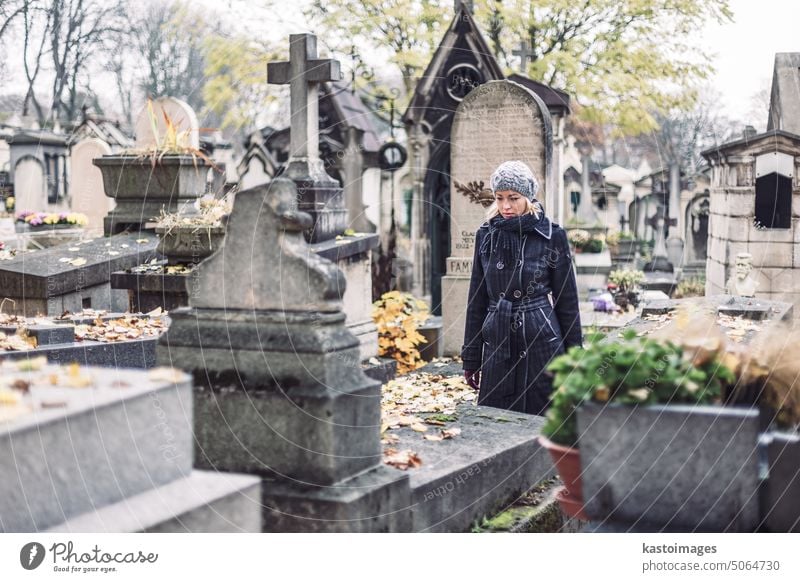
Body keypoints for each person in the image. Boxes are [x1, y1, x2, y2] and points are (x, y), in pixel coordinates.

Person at [461, 160, 582, 415]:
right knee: (495, 421)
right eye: (499, 197)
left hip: (541, 339)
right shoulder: (486, 235)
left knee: (545, 420)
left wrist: (575, 358)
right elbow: (477, 299)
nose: (506, 206)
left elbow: (566, 301)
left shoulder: (552, 235)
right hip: (498, 339)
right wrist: (471, 358)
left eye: (513, 198)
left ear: (527, 196)